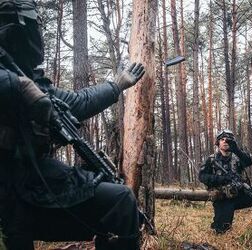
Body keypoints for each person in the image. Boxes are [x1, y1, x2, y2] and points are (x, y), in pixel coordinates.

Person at [0, 0, 145, 249]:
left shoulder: (34, 80)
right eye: (35, 26)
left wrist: (116, 85)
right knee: (120, 200)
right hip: (15, 191)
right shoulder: (13, 78)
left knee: (119, 201)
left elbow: (78, 101)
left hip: (33, 187)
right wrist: (19, 88)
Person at [199, 129, 252, 234]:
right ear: (218, 143)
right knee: (222, 230)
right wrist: (221, 179)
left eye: (228, 140)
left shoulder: (237, 157)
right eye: (222, 139)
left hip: (240, 195)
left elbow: (249, 161)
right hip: (223, 198)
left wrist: (236, 149)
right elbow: (202, 176)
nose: (225, 141)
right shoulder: (211, 160)